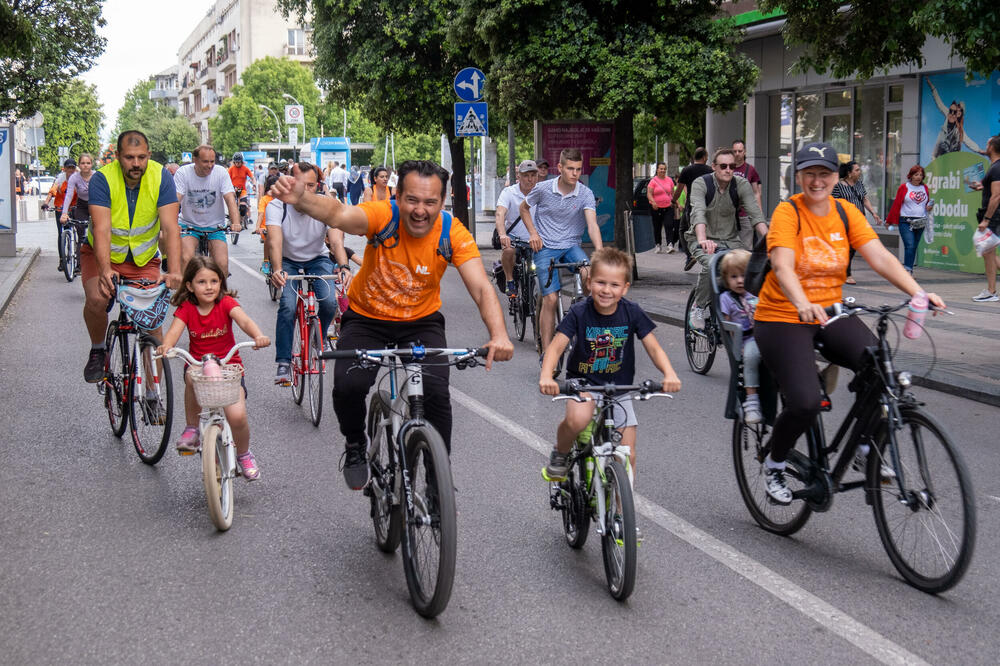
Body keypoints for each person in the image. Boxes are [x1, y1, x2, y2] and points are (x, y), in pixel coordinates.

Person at [269, 159, 513, 489]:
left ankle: (437, 476)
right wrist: (302, 198)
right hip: (367, 319)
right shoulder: (384, 215)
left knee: (437, 395)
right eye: (412, 199)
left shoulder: (452, 231)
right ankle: (355, 444)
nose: (420, 210)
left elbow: (482, 288)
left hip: (421, 322)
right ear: (397, 196)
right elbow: (340, 215)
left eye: (430, 202)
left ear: (443, 202)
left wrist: (498, 335)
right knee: (349, 386)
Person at [753, 142, 945, 504]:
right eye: (809, 173)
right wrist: (802, 302)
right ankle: (775, 463)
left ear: (835, 177)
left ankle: (864, 448)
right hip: (782, 314)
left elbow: (880, 257)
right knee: (805, 402)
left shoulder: (844, 212)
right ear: (798, 176)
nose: (816, 180)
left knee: (878, 362)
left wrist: (920, 292)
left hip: (831, 311)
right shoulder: (787, 212)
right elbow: (781, 265)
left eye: (824, 173)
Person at [539, 247, 681, 484]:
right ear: (589, 283)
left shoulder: (632, 312)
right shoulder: (579, 312)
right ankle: (561, 453)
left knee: (627, 455)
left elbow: (653, 347)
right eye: (600, 282)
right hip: (583, 383)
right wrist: (547, 376)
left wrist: (669, 374)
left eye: (614, 285)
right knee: (577, 420)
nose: (606, 290)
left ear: (625, 287)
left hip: (619, 387)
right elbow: (555, 347)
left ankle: (620, 517)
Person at [82, 130, 182, 382]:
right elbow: (102, 228)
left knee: (151, 321)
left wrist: (176, 270)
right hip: (100, 255)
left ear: (149, 154)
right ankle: (97, 349)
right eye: (129, 157)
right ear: (117, 156)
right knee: (97, 298)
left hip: (143, 258)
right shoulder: (102, 179)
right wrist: (105, 269)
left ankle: (153, 390)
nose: (136, 163)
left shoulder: (161, 177)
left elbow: (171, 227)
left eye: (141, 157)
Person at [157, 256, 270, 479]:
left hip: (229, 368)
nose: (209, 287)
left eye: (214, 281)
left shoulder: (226, 303)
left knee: (237, 417)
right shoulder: (187, 308)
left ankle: (244, 454)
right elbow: (174, 331)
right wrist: (166, 346)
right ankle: (192, 428)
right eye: (201, 282)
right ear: (189, 285)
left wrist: (258, 336)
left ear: (220, 283)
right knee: (191, 377)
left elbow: (244, 321)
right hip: (199, 367)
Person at [266, 162, 348, 385]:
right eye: (300, 185)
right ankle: (283, 361)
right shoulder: (276, 206)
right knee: (288, 306)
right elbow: (274, 241)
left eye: (311, 186)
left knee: (330, 302)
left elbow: (336, 240)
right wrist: (277, 270)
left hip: (317, 258)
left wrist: (343, 266)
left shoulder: (326, 205)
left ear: (318, 186)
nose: (305, 191)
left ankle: (316, 336)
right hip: (288, 260)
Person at [520, 147, 604, 355]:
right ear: (560, 168)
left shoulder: (585, 193)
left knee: (588, 274)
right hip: (546, 247)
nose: (575, 174)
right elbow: (524, 208)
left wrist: (601, 252)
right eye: (570, 169)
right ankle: (548, 354)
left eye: (578, 169)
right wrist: (533, 233)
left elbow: (592, 225)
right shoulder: (544, 189)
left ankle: (582, 311)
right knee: (550, 298)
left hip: (571, 246)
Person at [685, 148, 767, 328]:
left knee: (751, 267)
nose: (728, 170)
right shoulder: (701, 183)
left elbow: (755, 215)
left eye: (732, 166)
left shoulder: (741, 184)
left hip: (731, 240)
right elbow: (698, 213)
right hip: (701, 239)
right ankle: (698, 306)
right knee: (712, 262)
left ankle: (744, 308)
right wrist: (702, 239)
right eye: (723, 166)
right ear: (714, 166)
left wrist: (771, 241)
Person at [173, 145, 241, 278]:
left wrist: (236, 222)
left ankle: (221, 296)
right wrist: (171, 223)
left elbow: (229, 198)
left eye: (212, 162)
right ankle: (186, 294)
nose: (210, 166)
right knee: (186, 259)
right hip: (189, 225)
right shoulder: (183, 173)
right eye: (205, 162)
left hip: (215, 226)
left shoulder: (221, 172)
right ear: (195, 160)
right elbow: (176, 200)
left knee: (222, 264)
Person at [718, 249, 762, 424]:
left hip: (763, 334)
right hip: (746, 339)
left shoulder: (756, 294)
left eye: (744, 276)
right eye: (734, 277)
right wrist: (735, 345)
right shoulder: (726, 299)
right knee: (751, 357)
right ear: (726, 279)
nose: (740, 281)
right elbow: (728, 324)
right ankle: (752, 402)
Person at [832, 160, 883, 284]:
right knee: (847, 246)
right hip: (844, 220)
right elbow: (833, 203)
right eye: (857, 170)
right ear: (849, 173)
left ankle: (842, 271)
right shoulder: (838, 186)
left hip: (859, 219)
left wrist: (873, 213)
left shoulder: (859, 184)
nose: (860, 172)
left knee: (853, 247)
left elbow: (864, 199)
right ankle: (846, 273)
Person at [494, 160, 539, 296]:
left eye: (533, 175)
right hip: (514, 238)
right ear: (518, 176)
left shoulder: (541, 192)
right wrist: (503, 235)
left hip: (536, 238)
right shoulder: (509, 192)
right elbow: (500, 213)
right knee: (508, 251)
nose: (530, 179)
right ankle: (510, 280)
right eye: (526, 175)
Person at [886, 165, 934, 275]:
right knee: (910, 245)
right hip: (906, 221)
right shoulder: (904, 187)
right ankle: (907, 271)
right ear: (911, 175)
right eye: (916, 174)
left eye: (921, 175)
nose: (918, 177)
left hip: (920, 221)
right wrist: (889, 221)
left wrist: (929, 206)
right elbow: (896, 204)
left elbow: (926, 204)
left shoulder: (925, 188)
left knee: (914, 247)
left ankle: (909, 269)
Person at [970, 135, 1000, 302]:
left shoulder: (997, 168)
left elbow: (996, 196)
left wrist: (986, 219)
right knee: (988, 252)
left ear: (992, 148)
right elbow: (990, 188)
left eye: (987, 144)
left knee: (988, 253)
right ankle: (991, 291)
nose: (985, 147)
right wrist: (979, 186)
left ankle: (991, 291)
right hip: (992, 217)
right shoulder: (994, 167)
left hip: (993, 217)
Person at [673, 147, 713, 269]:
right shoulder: (710, 170)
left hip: (691, 204)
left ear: (694, 157)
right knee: (705, 231)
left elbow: (679, 189)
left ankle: (690, 255)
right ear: (705, 157)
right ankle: (707, 257)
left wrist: (673, 200)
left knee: (683, 230)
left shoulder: (686, 170)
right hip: (708, 204)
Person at [927, 80, 984, 158]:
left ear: (962, 114)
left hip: (949, 157)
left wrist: (979, 150)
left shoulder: (959, 129)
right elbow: (939, 103)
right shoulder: (949, 113)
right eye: (958, 108)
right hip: (939, 153)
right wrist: (932, 87)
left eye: (961, 110)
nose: (959, 111)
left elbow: (968, 141)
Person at [43, 159, 78, 273]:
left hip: (73, 208)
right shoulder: (60, 179)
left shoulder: (78, 178)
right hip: (60, 207)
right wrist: (46, 203)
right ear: (65, 168)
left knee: (78, 232)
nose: (70, 170)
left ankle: (76, 256)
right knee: (61, 233)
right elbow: (52, 192)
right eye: (68, 168)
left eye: (73, 168)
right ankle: (62, 259)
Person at [731, 139, 763, 249]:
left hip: (745, 215)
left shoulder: (750, 170)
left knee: (746, 248)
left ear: (744, 152)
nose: (737, 154)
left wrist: (758, 213)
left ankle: (744, 266)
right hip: (728, 215)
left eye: (740, 151)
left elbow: (756, 193)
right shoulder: (727, 168)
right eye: (735, 151)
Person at [646, 162, 676, 254]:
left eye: (664, 169)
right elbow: (649, 194)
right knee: (657, 227)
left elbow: (672, 193)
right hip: (656, 208)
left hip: (668, 207)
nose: (663, 170)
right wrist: (653, 202)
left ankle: (670, 245)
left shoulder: (669, 180)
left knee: (669, 225)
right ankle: (658, 245)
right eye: (661, 168)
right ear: (657, 170)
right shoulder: (653, 181)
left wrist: (675, 202)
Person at [255, 173, 280, 274]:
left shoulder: (283, 198)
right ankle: (266, 261)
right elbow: (261, 214)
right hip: (266, 227)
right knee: (268, 239)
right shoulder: (264, 199)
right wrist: (257, 227)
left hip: (279, 227)